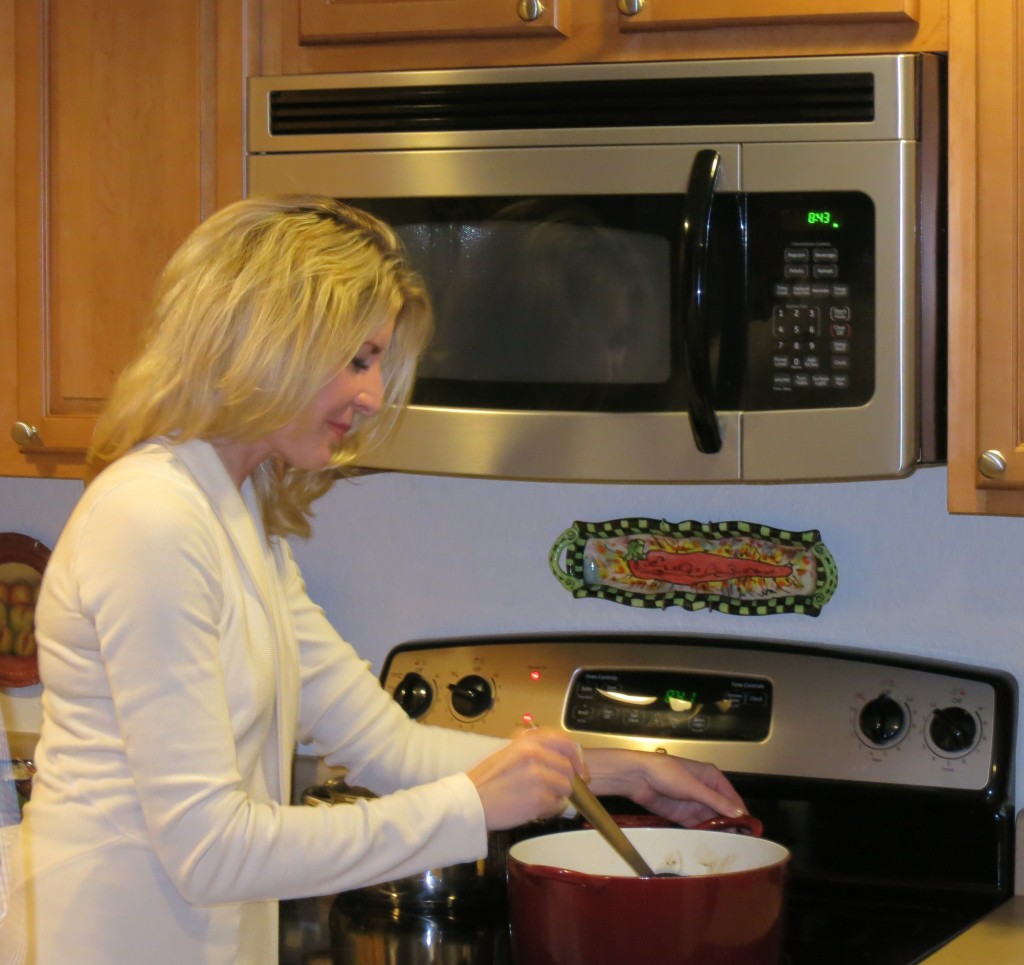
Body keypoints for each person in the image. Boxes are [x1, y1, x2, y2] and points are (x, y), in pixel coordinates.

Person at [0, 196, 747, 964]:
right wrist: (472, 805)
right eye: (357, 358)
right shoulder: (151, 517)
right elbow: (210, 848)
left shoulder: (236, 517)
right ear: (265, 337)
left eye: (379, 361)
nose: (372, 393)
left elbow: (384, 745)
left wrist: (614, 773)